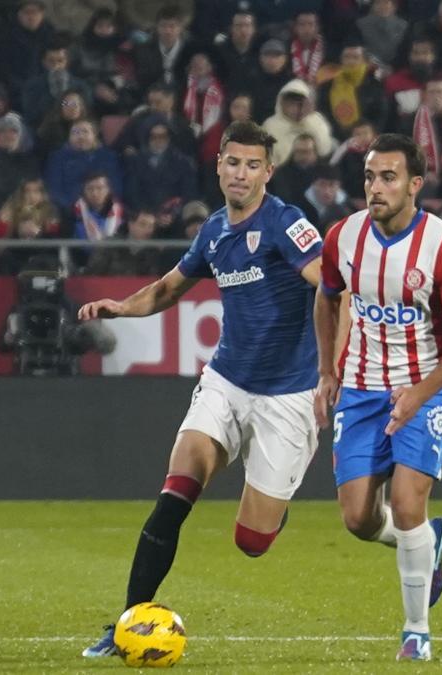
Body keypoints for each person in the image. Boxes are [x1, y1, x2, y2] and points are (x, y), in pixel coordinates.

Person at [76, 120, 325, 659]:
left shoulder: (288, 223)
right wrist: (122, 306)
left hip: (287, 395)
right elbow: (169, 287)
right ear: (219, 166)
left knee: (252, 543)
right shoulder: (213, 231)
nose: (241, 173)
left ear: (268, 172)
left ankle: (274, 502)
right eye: (232, 162)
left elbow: (331, 282)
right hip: (227, 383)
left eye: (252, 165)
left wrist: (336, 366)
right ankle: (126, 626)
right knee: (174, 496)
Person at [313, 133, 442, 662]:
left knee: (409, 503)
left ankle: (417, 632)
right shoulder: (343, 237)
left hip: (425, 387)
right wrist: (326, 372)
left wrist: (419, 394)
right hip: (361, 390)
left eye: (388, 177)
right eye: (369, 176)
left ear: (414, 185)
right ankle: (432, 542)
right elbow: (326, 300)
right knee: (358, 520)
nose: (375, 187)